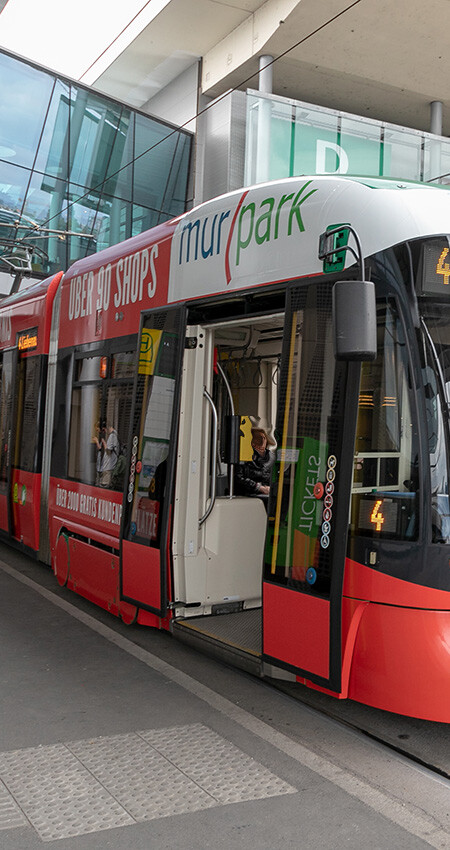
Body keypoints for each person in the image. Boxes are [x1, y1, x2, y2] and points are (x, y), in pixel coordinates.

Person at [235, 416, 276, 498]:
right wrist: (258, 487)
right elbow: (238, 478)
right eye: (258, 439)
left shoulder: (272, 457)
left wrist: (270, 488)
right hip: (247, 495)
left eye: (264, 438)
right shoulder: (244, 455)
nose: (262, 442)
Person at [99, 422, 119, 487]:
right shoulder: (116, 435)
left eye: (104, 430)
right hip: (110, 466)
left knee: (105, 487)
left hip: (108, 467)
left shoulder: (112, 436)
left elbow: (108, 451)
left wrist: (104, 443)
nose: (104, 432)